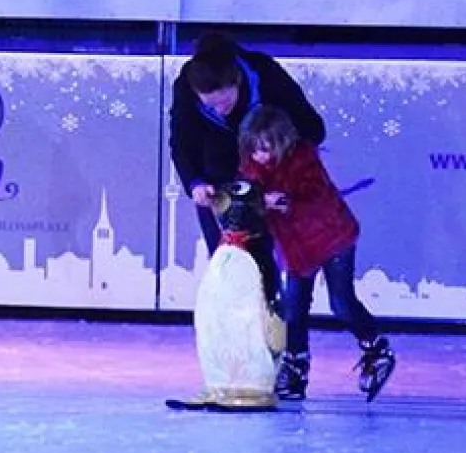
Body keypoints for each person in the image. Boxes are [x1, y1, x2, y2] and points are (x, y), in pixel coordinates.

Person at [168, 32, 327, 399]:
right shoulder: (186, 86)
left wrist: (281, 163)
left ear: (237, 81)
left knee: (276, 279)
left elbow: (313, 128)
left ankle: (282, 363)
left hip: (273, 191)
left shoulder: (265, 76)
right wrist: (195, 182)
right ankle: (235, 367)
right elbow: (181, 142)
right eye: (210, 105)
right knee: (233, 278)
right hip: (224, 194)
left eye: (225, 101)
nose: (219, 109)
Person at [237, 104, 396, 402]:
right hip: (296, 248)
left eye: (265, 148)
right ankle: (296, 368)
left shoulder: (303, 159)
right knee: (293, 308)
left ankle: (376, 349)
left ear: (281, 141)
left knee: (341, 302)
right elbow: (246, 194)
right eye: (254, 149)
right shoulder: (251, 169)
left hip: (332, 238)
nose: (259, 155)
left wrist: (285, 201)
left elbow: (313, 193)